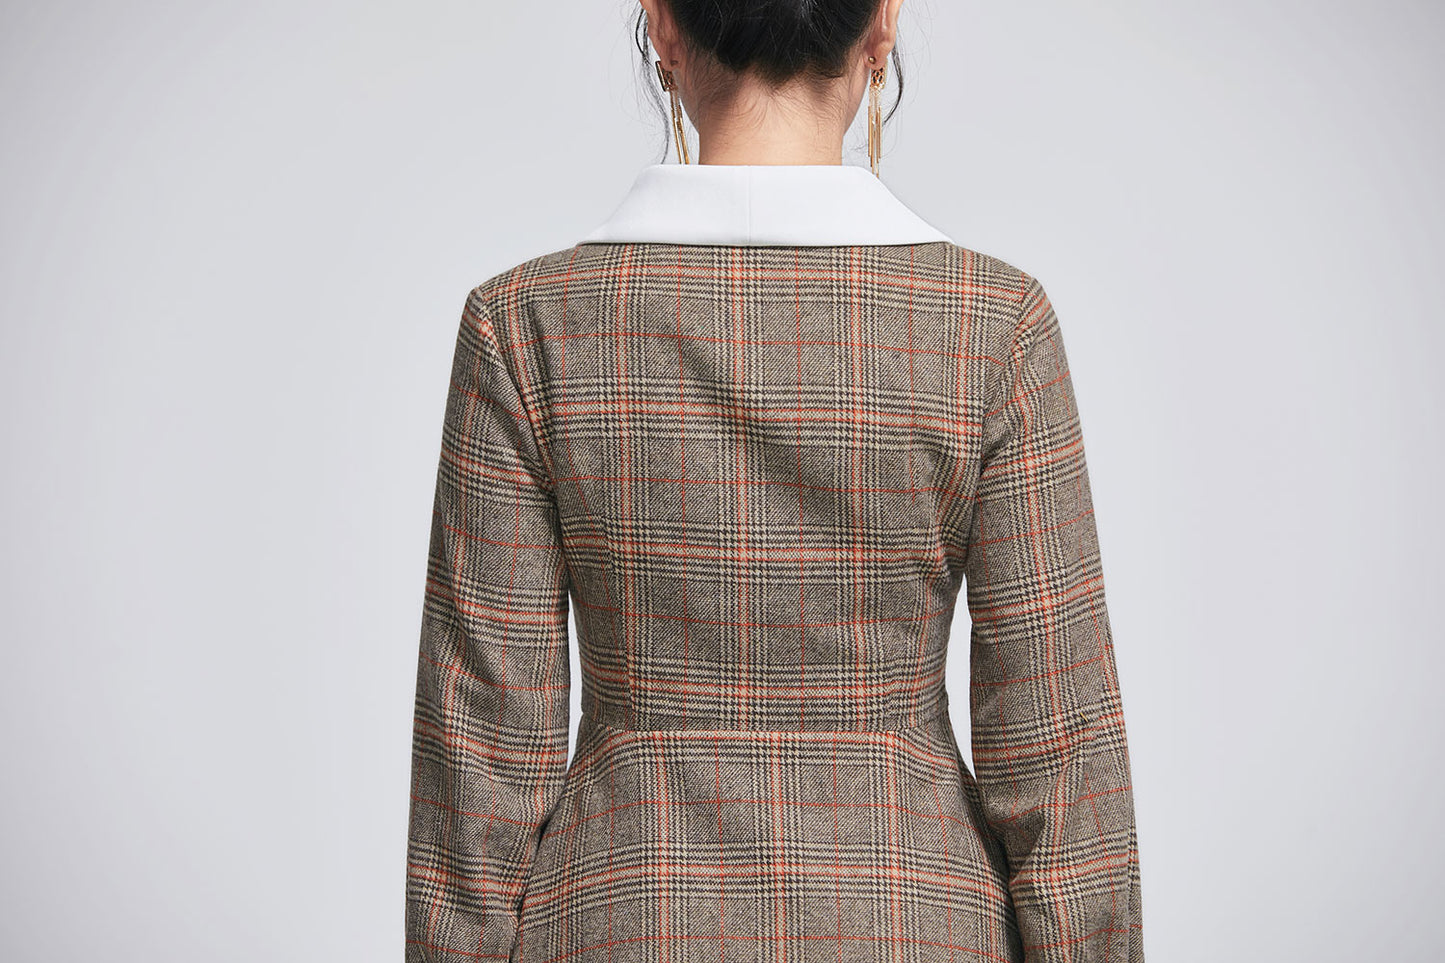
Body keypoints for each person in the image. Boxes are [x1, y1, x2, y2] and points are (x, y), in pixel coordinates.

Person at [403, 0, 1145, 960]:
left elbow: (477, 769)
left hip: (623, 919)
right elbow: (1060, 758)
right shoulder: (991, 326)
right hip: (911, 921)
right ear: (880, 27)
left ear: (661, 27)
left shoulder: (527, 325)